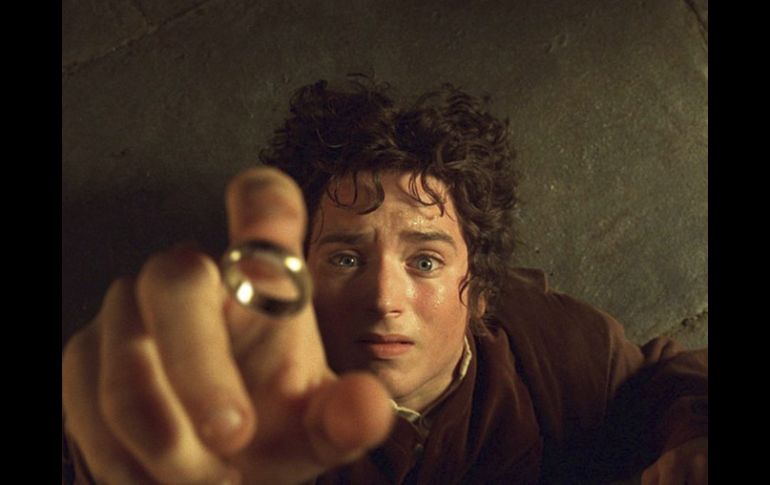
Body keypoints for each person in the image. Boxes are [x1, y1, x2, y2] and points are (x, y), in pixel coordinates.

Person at [62, 77, 708, 484]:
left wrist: (694, 439)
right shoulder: (240, 402)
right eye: (346, 258)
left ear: (481, 288)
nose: (382, 298)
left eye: (424, 261)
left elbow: (666, 381)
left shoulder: (556, 348)